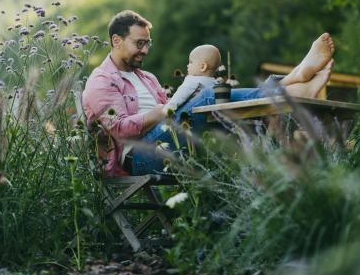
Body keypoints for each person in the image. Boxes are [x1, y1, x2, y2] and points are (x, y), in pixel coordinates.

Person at [82, 10, 334, 178]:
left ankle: (292, 84)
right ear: (116, 41)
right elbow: (119, 129)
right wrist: (159, 113)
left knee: (222, 110)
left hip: (170, 140)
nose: (145, 50)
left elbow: (175, 111)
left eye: (148, 43)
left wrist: (177, 107)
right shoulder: (101, 81)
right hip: (139, 157)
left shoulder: (146, 78)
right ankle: (293, 82)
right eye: (139, 43)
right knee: (212, 94)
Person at [163, 44, 220, 113]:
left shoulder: (193, 79)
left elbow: (180, 96)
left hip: (192, 116)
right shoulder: (215, 84)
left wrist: (166, 110)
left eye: (191, 62)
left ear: (202, 67)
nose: (187, 66)